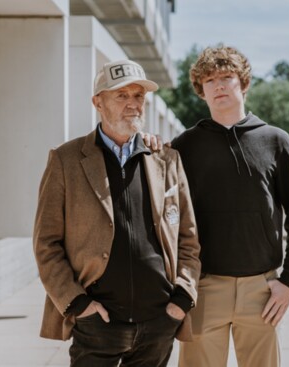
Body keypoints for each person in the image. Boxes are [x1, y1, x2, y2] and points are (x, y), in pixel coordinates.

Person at [33, 59, 201, 367]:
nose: (132, 104)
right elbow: (46, 244)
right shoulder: (66, 160)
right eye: (121, 96)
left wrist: (182, 299)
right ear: (97, 102)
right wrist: (78, 305)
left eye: (138, 96)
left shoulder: (166, 159)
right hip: (97, 325)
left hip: (159, 322)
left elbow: (188, 238)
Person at [163, 46, 289, 367]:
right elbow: (165, 213)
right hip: (203, 286)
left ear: (243, 84)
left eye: (226, 77)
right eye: (209, 80)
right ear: (201, 92)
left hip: (261, 289)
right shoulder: (185, 146)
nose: (218, 85)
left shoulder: (276, 141)